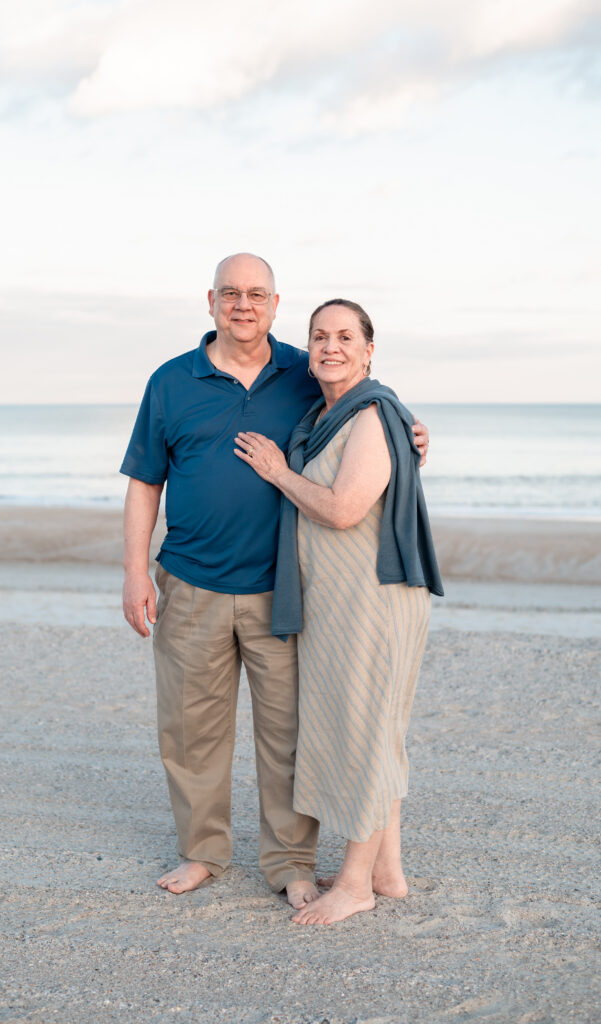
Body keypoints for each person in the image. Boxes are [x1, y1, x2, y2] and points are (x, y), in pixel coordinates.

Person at [121, 257, 430, 909]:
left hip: (282, 592)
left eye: (255, 294)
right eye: (230, 294)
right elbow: (145, 480)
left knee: (288, 736)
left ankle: (290, 863)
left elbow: (365, 410)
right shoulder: (171, 381)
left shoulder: (302, 369)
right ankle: (202, 852)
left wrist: (413, 437)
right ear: (209, 301)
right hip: (189, 581)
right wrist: (132, 572)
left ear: (274, 303)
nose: (242, 305)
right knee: (190, 730)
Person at [234, 298, 443, 925]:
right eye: (319, 336)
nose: (330, 347)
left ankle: (355, 883)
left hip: (373, 603)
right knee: (378, 730)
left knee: (366, 732)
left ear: (369, 348)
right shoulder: (326, 416)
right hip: (339, 602)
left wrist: (276, 471)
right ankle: (387, 870)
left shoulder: (372, 414)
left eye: (345, 336)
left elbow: (344, 509)